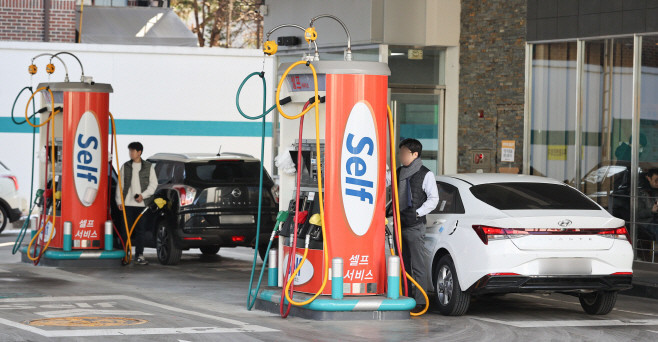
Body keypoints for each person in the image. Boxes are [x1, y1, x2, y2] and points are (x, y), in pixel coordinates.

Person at [387, 138, 439, 313]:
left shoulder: (426, 174)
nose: (401, 156)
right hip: (398, 224)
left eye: (404, 153)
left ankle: (420, 302)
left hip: (415, 225)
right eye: (400, 153)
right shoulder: (399, 171)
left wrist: (418, 212)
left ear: (415, 154)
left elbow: (434, 199)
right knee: (403, 263)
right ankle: (405, 297)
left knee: (417, 265)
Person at [115, 142, 157, 265]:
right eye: (130, 151)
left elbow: (153, 184)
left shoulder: (148, 167)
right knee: (125, 230)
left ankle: (139, 255)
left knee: (141, 231)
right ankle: (125, 254)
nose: (131, 153)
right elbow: (120, 184)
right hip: (127, 204)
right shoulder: (125, 166)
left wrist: (143, 196)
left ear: (139, 152)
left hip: (142, 205)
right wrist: (119, 200)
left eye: (133, 151)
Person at [637, 168, 658, 242]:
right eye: (656, 180)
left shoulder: (655, 190)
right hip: (645, 221)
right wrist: (651, 210)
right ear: (648, 178)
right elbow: (637, 213)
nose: (657, 183)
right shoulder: (639, 193)